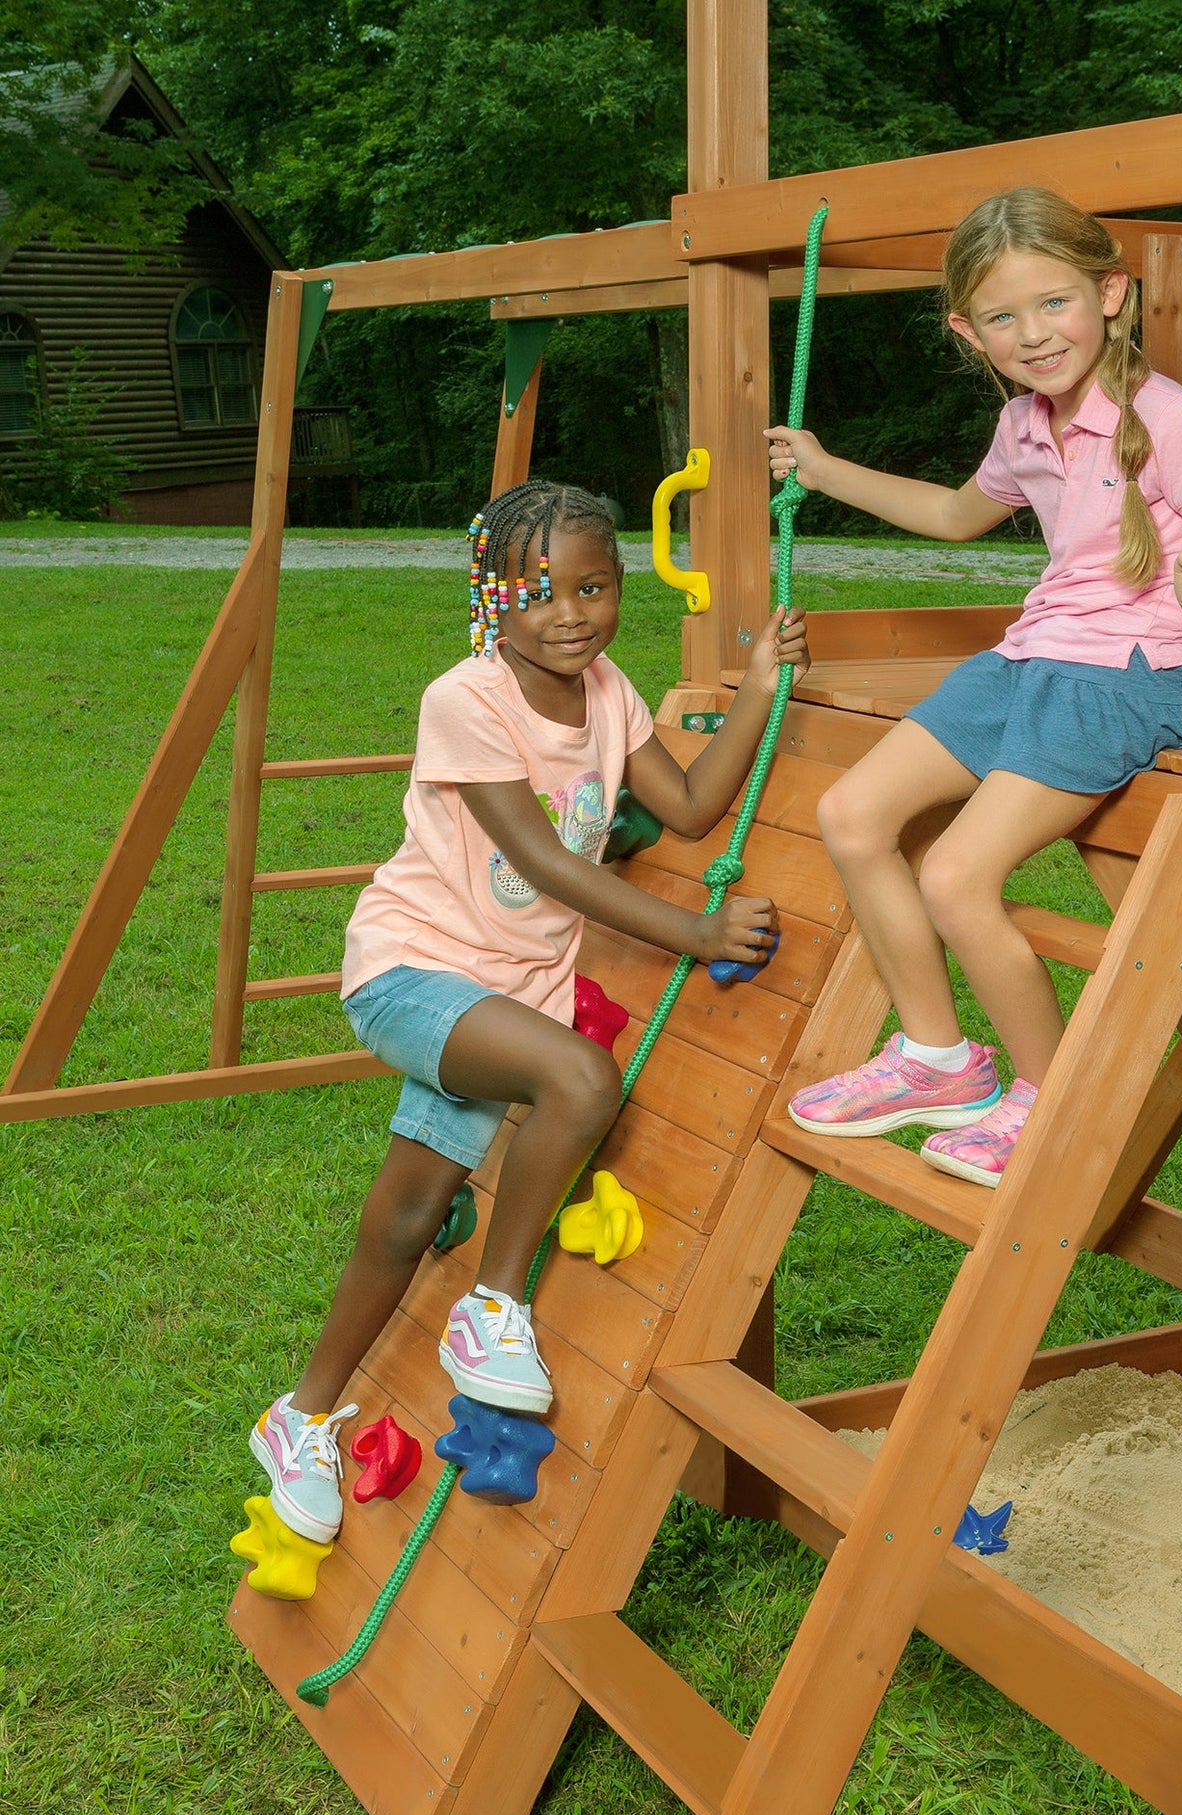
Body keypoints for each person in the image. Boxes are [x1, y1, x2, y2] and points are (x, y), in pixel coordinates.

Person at [250, 480, 804, 1545]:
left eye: (592, 586)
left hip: (510, 988)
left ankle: (301, 1415)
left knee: (412, 1212)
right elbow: (544, 858)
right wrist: (693, 933)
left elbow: (687, 808)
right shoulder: (465, 697)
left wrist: (757, 688)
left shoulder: (608, 693)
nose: (569, 612)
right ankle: (492, 1305)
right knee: (581, 1078)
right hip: (412, 971)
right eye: (540, 591)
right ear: (491, 596)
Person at [765, 186, 1182, 1188]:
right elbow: (951, 515)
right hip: (1031, 660)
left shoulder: (1176, 419)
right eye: (1000, 316)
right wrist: (818, 469)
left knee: (954, 875)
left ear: (1109, 294)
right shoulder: (1023, 425)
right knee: (851, 813)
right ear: (965, 330)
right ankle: (938, 1058)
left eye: (1052, 303)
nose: (1031, 334)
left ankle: (1045, 1094)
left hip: (1133, 675)